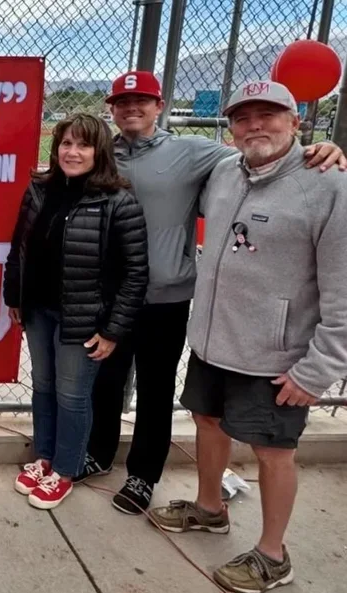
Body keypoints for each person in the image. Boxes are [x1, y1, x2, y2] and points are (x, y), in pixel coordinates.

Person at [79, 70, 346, 515]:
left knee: (155, 390)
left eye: (142, 100)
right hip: (112, 295)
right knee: (105, 382)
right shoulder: (103, 152)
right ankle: (98, 452)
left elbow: (265, 158)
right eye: (122, 102)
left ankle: (143, 475)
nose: (131, 108)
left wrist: (325, 151)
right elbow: (66, 170)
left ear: (159, 106)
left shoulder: (195, 151)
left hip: (165, 297)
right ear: (112, 110)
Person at [149, 80, 347, 593]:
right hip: (214, 342)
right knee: (208, 421)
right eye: (243, 117)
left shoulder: (329, 184)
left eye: (268, 115)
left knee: (272, 451)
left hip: (276, 357)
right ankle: (210, 508)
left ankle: (273, 555)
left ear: (296, 122)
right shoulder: (224, 172)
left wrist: (318, 370)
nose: (255, 125)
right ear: (231, 128)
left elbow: (344, 292)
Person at [3, 113, 148, 510]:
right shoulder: (39, 190)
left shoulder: (119, 201)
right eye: (66, 143)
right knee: (43, 386)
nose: (73, 152)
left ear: (99, 151)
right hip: (38, 310)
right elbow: (18, 248)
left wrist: (113, 330)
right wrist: (14, 297)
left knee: (72, 395)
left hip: (83, 320)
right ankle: (44, 457)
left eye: (83, 145)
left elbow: (136, 273)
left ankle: (65, 470)